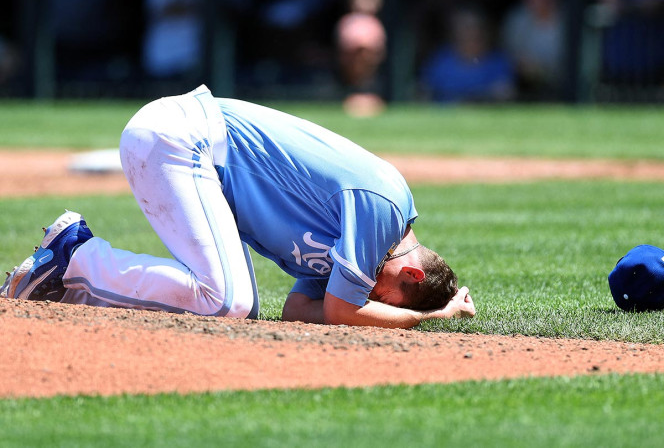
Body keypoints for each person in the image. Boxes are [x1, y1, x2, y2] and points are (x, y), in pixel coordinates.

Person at [2, 86, 475, 329]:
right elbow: (340, 311)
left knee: (235, 306)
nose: (368, 297)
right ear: (411, 274)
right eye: (381, 296)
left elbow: (298, 310)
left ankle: (68, 268)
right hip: (183, 136)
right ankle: (72, 258)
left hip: (181, 143)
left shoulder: (363, 245)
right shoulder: (384, 208)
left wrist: (353, 310)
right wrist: (432, 318)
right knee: (228, 301)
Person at [420, 8, 515, 103]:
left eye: (475, 29)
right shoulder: (440, 61)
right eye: (465, 29)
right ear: (455, 34)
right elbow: (423, 89)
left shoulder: (498, 61)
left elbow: (505, 92)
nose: (470, 34)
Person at [501, 0, 565, 100]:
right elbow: (508, 54)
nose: (538, 1)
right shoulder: (516, 19)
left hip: (563, 84)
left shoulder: (568, 19)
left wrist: (543, 70)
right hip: (523, 83)